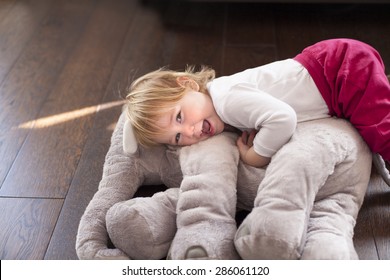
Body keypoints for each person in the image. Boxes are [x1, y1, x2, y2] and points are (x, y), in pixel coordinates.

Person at [125, 38, 390, 181]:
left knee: (381, 131)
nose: (190, 131)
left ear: (189, 84)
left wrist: (256, 156)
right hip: (332, 74)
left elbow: (283, 119)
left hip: (338, 71)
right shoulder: (217, 105)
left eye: (180, 117)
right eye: (177, 137)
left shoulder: (227, 101)